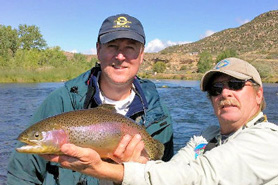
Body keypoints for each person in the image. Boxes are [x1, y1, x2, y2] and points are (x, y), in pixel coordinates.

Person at [42, 57, 278, 185]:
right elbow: (169, 173)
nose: (225, 93)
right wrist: (134, 162)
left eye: (236, 85)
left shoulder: (268, 140)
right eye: (216, 89)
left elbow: (196, 178)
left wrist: (102, 169)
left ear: (259, 94)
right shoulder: (204, 138)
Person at [7, 13, 174, 185]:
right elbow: (21, 176)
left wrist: (135, 174)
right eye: (112, 46)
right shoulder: (60, 102)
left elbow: (168, 177)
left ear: (141, 54)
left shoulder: (159, 115)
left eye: (130, 47)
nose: (120, 56)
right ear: (98, 50)